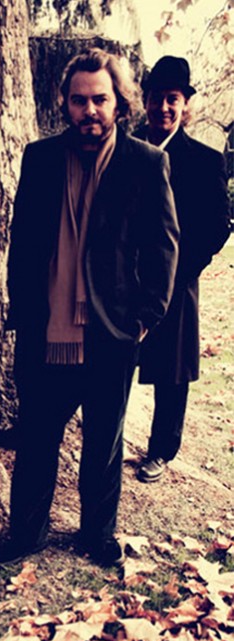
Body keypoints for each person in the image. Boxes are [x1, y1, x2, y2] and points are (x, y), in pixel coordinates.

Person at [0, 48, 179, 569]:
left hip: (111, 330)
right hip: (44, 329)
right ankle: (25, 533)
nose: (89, 110)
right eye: (79, 100)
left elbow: (163, 247)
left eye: (99, 99)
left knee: (103, 443)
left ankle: (97, 534)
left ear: (119, 102)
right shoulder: (40, 158)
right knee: (36, 440)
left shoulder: (146, 162)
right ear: (65, 103)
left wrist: (144, 319)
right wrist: (22, 310)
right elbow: (23, 241)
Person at [134, 56, 229, 483]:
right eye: (157, 98)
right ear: (146, 101)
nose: (164, 108)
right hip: (124, 280)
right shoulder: (124, 149)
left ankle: (161, 450)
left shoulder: (205, 161)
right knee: (113, 361)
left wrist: (177, 270)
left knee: (171, 372)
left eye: (172, 99)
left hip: (177, 279)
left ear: (184, 104)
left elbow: (217, 227)